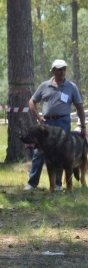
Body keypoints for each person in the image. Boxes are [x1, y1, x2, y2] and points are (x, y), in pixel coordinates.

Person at [24, 59, 87, 191]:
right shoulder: (44, 86)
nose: (62, 72)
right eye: (59, 69)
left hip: (62, 122)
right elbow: (32, 101)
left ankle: (57, 185)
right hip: (46, 124)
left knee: (62, 154)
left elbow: (80, 108)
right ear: (53, 70)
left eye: (64, 69)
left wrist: (83, 126)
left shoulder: (71, 87)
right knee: (39, 153)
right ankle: (32, 183)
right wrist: (39, 117)